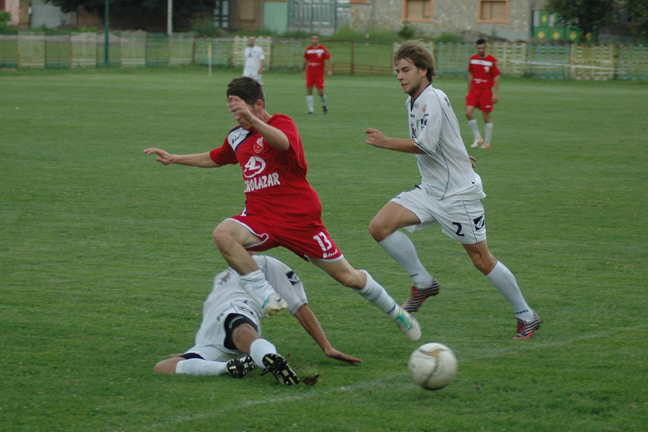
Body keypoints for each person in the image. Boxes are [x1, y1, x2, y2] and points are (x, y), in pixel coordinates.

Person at [144, 77, 420, 343]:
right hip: (260, 218)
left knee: (349, 277)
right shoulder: (238, 136)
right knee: (224, 234)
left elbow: (283, 143)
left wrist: (252, 120)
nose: (237, 117)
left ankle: (397, 313)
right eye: (233, 110)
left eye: (240, 110)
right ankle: (266, 295)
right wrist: (175, 158)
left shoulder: (281, 123)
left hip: (299, 219)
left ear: (259, 106)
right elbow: (216, 157)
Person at [365, 40, 541, 340]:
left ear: (423, 70)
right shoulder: (413, 100)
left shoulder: (434, 98)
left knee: (481, 259)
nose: (400, 76)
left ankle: (527, 315)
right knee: (380, 226)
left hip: (458, 195)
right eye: (397, 71)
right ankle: (423, 282)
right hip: (430, 191)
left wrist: (385, 142)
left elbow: (426, 144)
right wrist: (458, 154)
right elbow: (442, 137)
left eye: (406, 70)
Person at [154, 255, 361, 385]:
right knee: (164, 366)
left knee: (242, 329)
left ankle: (272, 360)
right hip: (210, 338)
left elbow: (300, 308)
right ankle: (230, 367)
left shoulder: (266, 264)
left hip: (235, 312)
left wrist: (326, 346)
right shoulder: (224, 275)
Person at [466, 38, 500, 149]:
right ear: (477, 48)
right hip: (474, 89)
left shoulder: (491, 60)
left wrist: (495, 93)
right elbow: (470, 74)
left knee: (486, 116)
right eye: (479, 48)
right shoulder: (473, 59)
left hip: (486, 90)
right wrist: (468, 90)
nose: (481, 50)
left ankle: (487, 143)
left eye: (482, 48)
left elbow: (496, 76)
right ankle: (478, 137)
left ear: (486, 48)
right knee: (468, 112)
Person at [302, 34, 333, 115]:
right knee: (309, 90)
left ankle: (324, 105)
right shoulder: (308, 49)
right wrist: (303, 71)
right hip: (310, 73)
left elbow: (330, 58)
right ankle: (311, 110)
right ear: (311, 40)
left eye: (316, 39)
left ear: (318, 40)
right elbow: (306, 60)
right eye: (313, 39)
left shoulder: (322, 49)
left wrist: (329, 70)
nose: (314, 40)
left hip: (319, 74)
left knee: (321, 92)